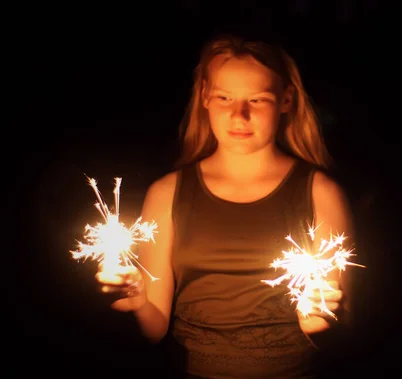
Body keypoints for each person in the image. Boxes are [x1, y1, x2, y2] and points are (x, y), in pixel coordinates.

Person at [97, 33, 356, 378]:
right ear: (204, 95)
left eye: (258, 99)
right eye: (224, 97)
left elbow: (345, 330)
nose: (239, 115)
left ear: (286, 100)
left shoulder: (320, 193)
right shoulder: (167, 194)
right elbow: (154, 327)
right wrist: (135, 299)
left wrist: (319, 322)